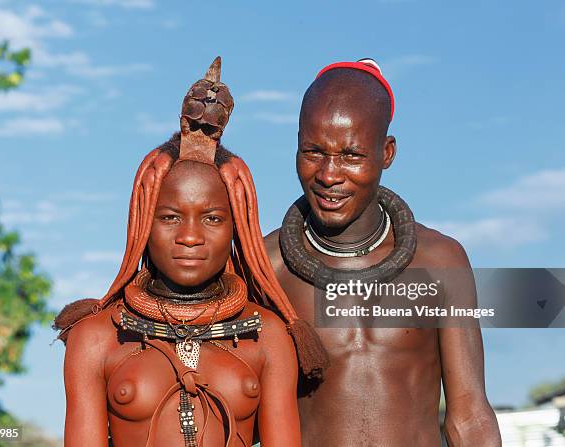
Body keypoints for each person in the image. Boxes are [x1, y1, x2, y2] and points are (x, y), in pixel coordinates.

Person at [54, 58, 327, 447]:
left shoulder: (267, 337)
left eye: (212, 219)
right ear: (144, 222)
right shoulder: (96, 338)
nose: (190, 237)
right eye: (169, 217)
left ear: (237, 228)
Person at [264, 59, 501, 446]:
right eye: (313, 151)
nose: (328, 174)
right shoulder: (267, 266)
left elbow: (469, 414)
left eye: (351, 156)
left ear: (386, 152)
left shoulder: (440, 261)